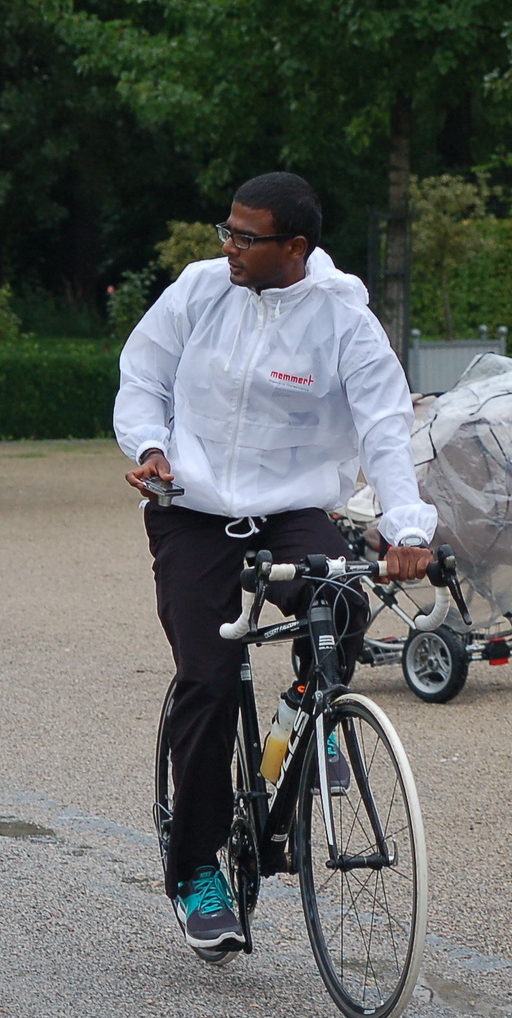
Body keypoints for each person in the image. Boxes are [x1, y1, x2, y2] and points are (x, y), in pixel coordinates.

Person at [115, 171, 436, 953]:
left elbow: (385, 426)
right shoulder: (198, 288)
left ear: (294, 247)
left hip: (291, 509)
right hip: (190, 512)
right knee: (209, 679)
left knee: (344, 600)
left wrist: (406, 526)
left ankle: (312, 716)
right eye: (224, 229)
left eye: (244, 236)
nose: (226, 245)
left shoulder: (342, 319)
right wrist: (150, 447)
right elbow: (142, 378)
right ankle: (195, 868)